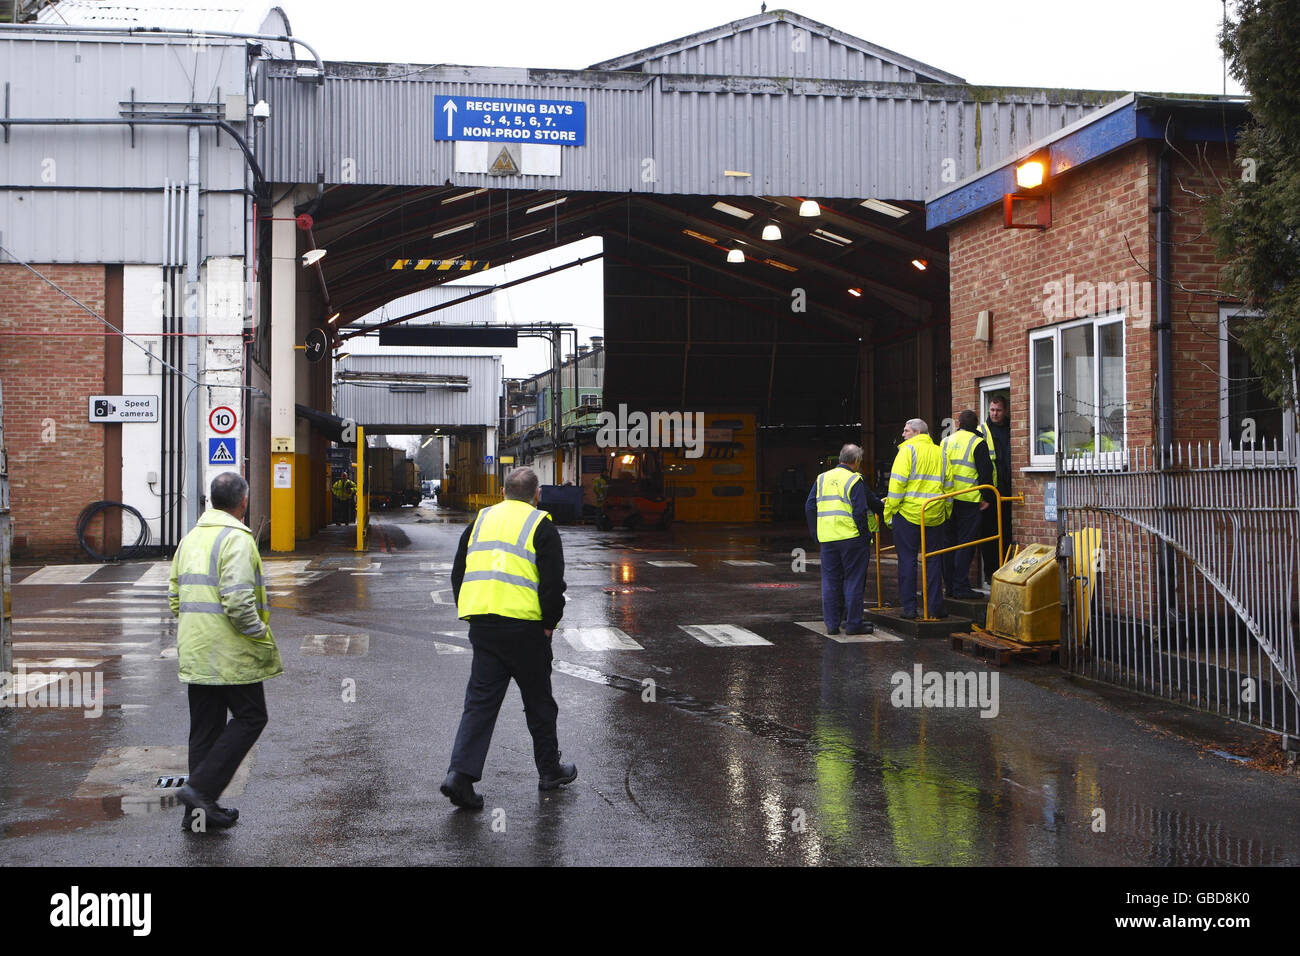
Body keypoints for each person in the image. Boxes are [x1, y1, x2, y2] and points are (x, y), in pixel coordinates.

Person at [442, 466, 573, 809]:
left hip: (484, 627)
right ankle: (549, 771)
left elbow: (460, 571)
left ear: (501, 492)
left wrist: (471, 609)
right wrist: (549, 623)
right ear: (537, 494)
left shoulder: (480, 521)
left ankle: (460, 776)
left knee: (480, 704)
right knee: (539, 702)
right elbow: (552, 582)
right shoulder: (540, 525)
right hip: (526, 630)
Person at [169, 471, 281, 832]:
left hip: (197, 648)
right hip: (230, 652)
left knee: (205, 728)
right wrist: (259, 634)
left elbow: (175, 597)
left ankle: (199, 813)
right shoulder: (237, 539)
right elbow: (237, 601)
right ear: (243, 502)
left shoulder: (190, 539)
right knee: (251, 717)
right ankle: (200, 790)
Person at [805, 444, 885, 635]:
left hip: (828, 539)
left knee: (831, 581)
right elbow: (859, 511)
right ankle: (853, 624)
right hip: (851, 539)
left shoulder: (822, 478)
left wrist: (816, 534)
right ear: (856, 461)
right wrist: (865, 535)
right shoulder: (854, 479)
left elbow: (809, 507)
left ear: (840, 458)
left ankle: (832, 625)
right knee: (853, 580)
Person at [884, 419, 950, 620]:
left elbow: (896, 487)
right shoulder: (941, 452)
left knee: (907, 561)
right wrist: (945, 511)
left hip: (908, 515)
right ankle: (935, 608)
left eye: (906, 430)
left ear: (917, 432)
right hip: (934, 515)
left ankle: (909, 609)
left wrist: (889, 513)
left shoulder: (906, 451)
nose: (903, 434)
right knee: (933, 562)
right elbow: (949, 486)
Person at [940, 410, 994, 600]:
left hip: (947, 500)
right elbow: (985, 473)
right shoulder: (978, 443)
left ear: (958, 423)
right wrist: (986, 497)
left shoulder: (946, 441)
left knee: (948, 544)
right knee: (966, 544)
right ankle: (961, 586)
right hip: (970, 502)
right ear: (976, 425)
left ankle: (950, 587)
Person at [979, 396, 1013, 585]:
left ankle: (1005, 571)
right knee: (989, 535)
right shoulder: (983, 431)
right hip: (990, 492)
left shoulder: (1010, 428)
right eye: (992, 410)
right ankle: (990, 574)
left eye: (998, 410)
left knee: (1007, 533)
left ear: (1005, 410)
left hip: (1006, 490)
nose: (994, 414)